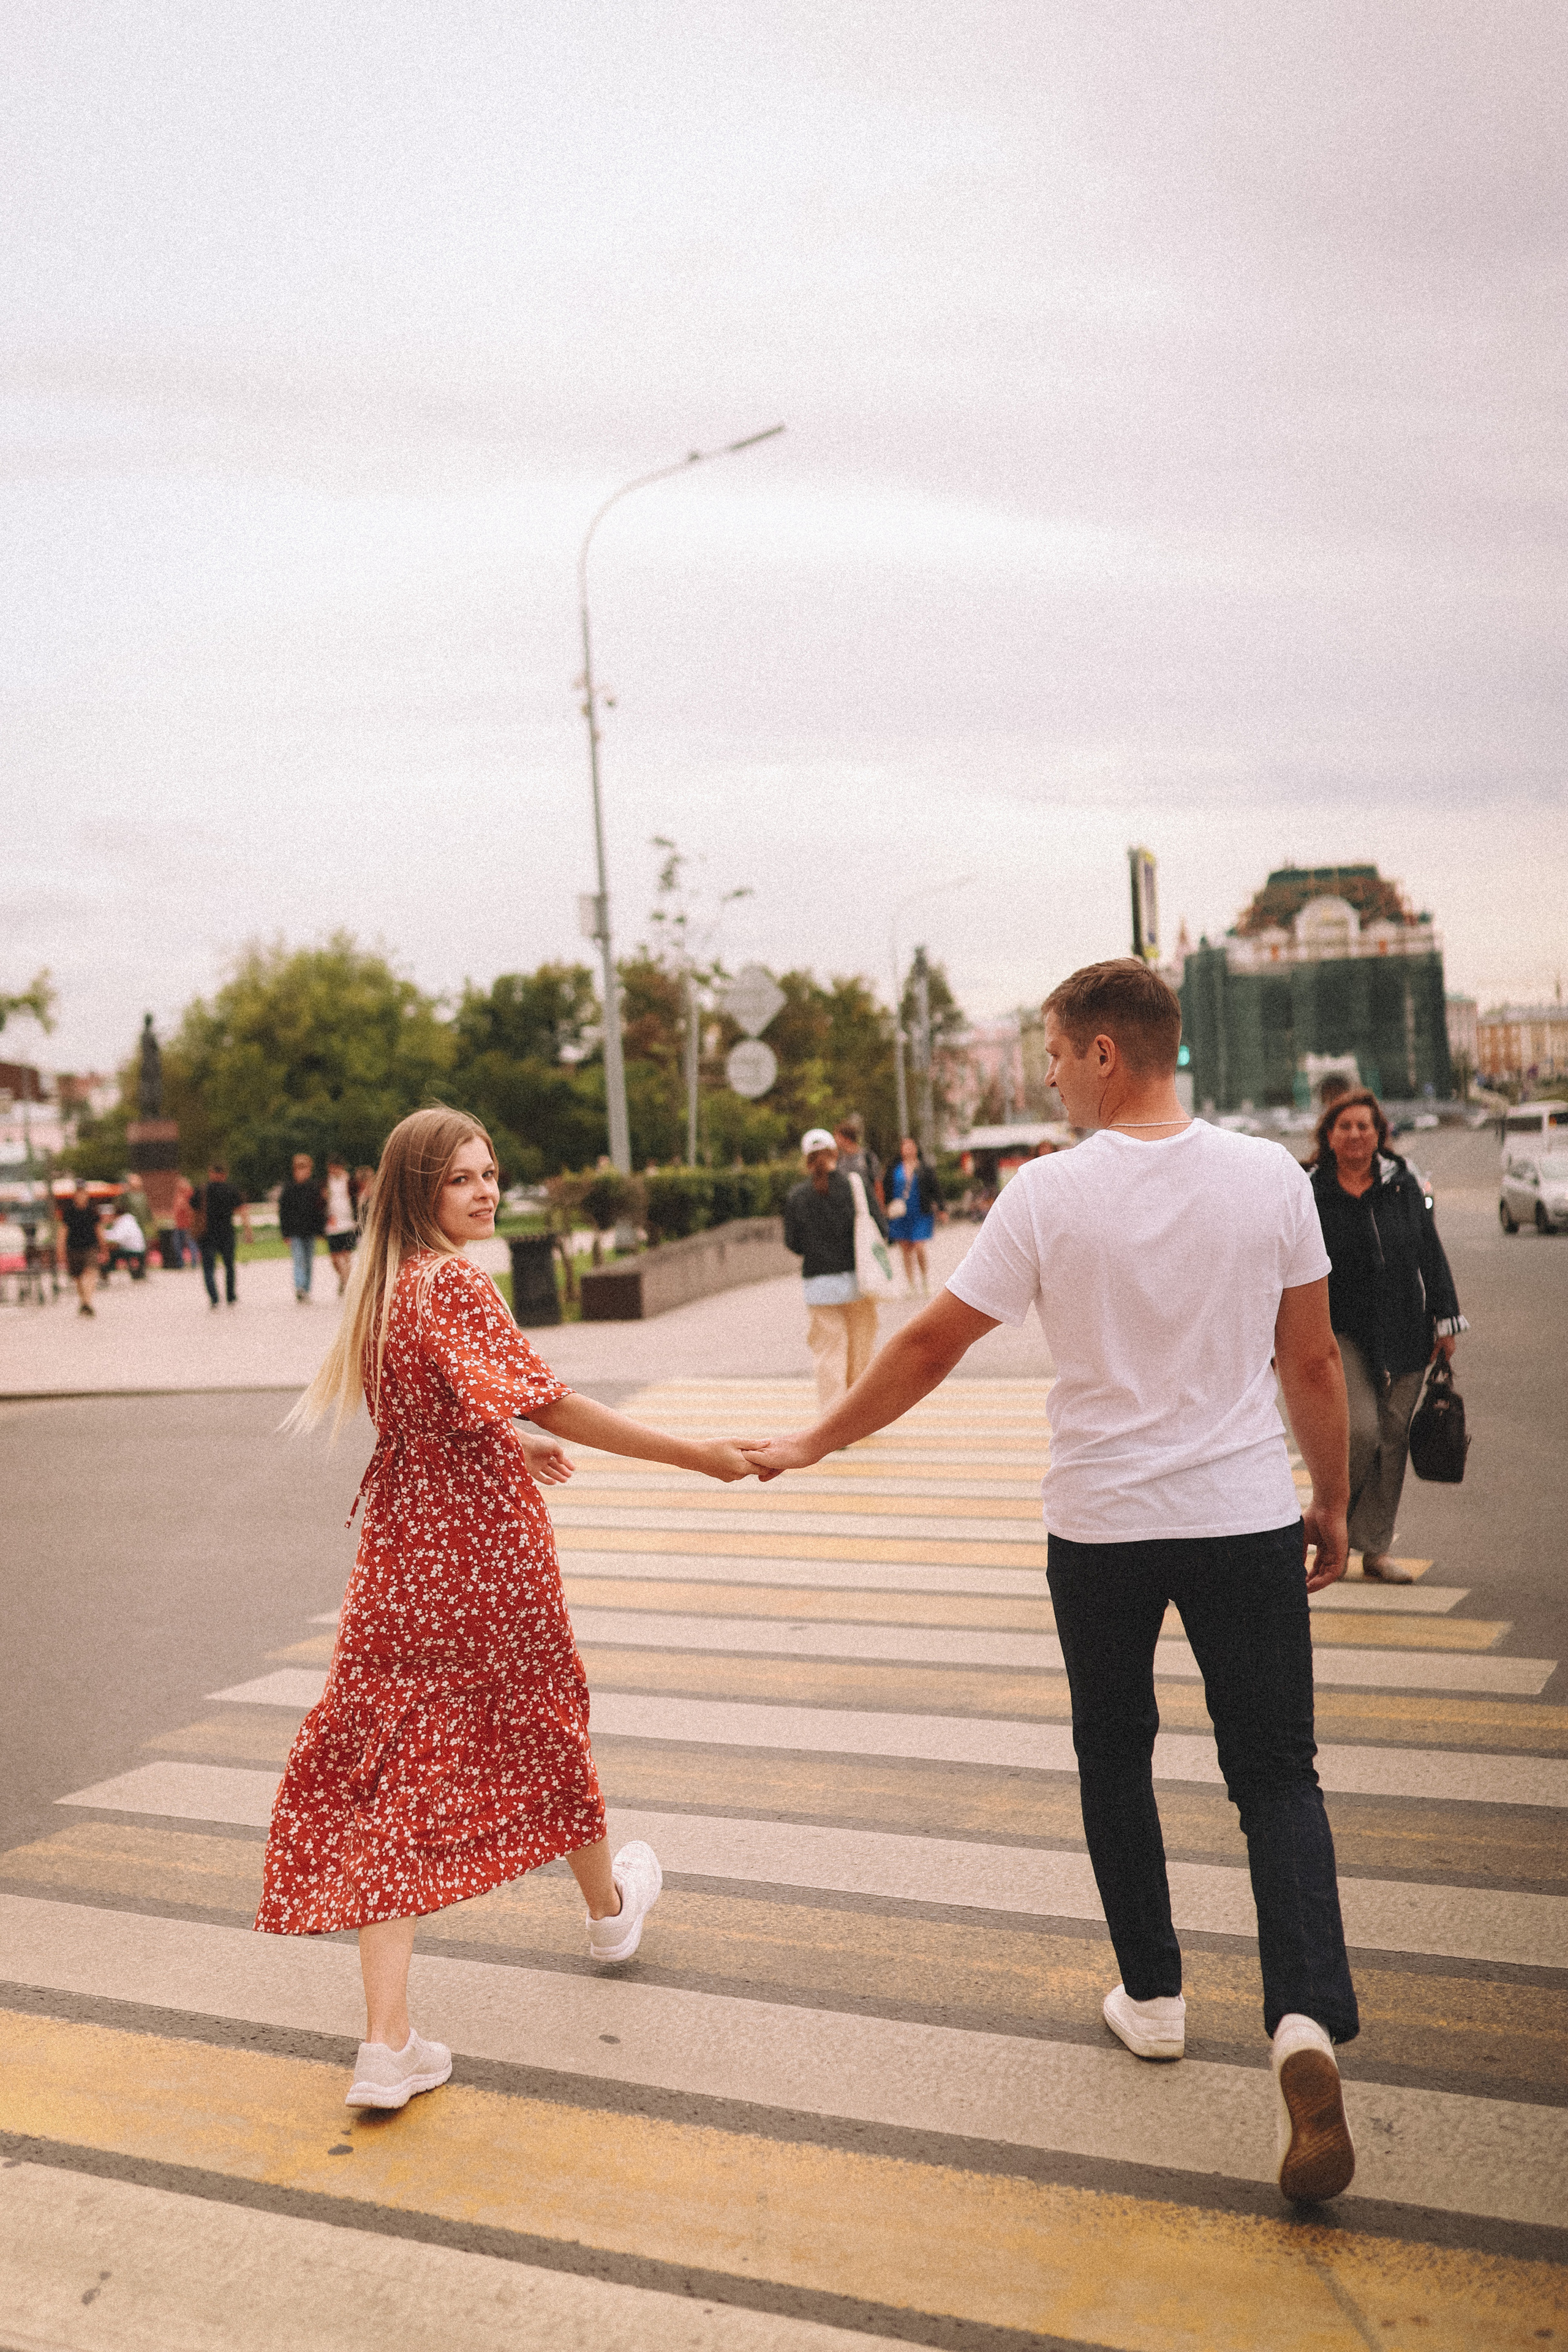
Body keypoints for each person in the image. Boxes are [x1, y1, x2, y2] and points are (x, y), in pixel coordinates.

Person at [744, 959, 1361, 2206]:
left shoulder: (1046, 1196)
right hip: (1241, 1515)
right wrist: (1331, 1502)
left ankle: (1152, 1996)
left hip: (1100, 1528)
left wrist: (816, 1439)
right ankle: (1299, 2023)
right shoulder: (1266, 1182)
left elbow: (929, 1343)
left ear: (1101, 1055)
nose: (1041, 1073)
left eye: (1051, 1050)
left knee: (1112, 1753)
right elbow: (1309, 1367)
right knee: (1274, 1771)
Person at [259, 1105, 756, 2113]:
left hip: (401, 1561)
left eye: (491, 1174)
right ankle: (609, 1911)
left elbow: (434, 1414)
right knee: (541, 1716)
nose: (485, 1192)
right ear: (419, 1193)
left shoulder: (388, 1287)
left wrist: (507, 1442)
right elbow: (555, 1401)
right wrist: (693, 1453)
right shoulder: (454, 1281)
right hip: (484, 1564)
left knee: (398, 1773)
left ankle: (389, 2043)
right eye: (462, 1181)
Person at [1306, 1088, 1466, 1584]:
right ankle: (1327, 1524)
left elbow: (1429, 1252)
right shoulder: (1309, 1190)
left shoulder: (1404, 1184)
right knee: (1362, 1431)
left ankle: (1374, 1549)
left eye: (1365, 1126)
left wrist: (1446, 1320)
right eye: (1345, 1126)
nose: (1356, 1134)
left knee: (1393, 1438)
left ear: (1379, 1134)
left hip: (1406, 1326)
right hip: (1341, 1332)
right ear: (1329, 1136)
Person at [784, 1129, 883, 1411]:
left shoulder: (797, 1196)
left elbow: (793, 1244)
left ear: (806, 1160)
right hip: (859, 1283)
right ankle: (856, 1417)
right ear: (835, 1155)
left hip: (819, 1286)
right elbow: (881, 1228)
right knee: (860, 1352)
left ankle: (832, 1419)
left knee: (829, 1354)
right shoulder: (856, 1186)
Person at [884, 1135, 945, 1293]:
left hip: (921, 1212)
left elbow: (935, 1188)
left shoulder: (924, 1168)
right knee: (905, 1249)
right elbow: (886, 1189)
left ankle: (924, 1279)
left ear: (916, 1149)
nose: (908, 1149)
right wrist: (886, 1207)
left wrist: (941, 1208)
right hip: (901, 1214)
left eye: (911, 1146)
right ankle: (911, 1283)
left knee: (919, 1246)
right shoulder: (894, 1168)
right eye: (905, 1147)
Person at [192, 1161, 251, 1308]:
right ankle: (230, 1296)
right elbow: (242, 1210)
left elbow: (193, 1209)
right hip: (226, 1233)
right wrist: (248, 1231)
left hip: (207, 1235)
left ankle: (214, 1298)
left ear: (211, 1173)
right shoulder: (231, 1190)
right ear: (225, 1175)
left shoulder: (202, 1190)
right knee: (229, 1266)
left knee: (208, 1268)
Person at [278, 1153, 326, 1302]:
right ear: (295, 1170)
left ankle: (306, 1288)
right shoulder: (289, 1189)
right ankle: (300, 1287)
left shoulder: (313, 1187)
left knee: (309, 1260)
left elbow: (319, 1210)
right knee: (299, 1260)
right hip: (295, 1231)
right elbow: (283, 1212)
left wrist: (320, 1230)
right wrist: (285, 1233)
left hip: (310, 1230)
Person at [58, 1183, 105, 1317]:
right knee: (78, 1277)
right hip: (73, 1248)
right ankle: (84, 1302)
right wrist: (60, 1249)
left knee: (90, 1273)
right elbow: (63, 1231)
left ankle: (87, 1303)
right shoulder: (69, 1212)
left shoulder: (92, 1211)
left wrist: (103, 1247)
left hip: (90, 1247)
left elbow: (99, 1229)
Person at [323, 1154, 359, 1294]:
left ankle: (347, 1283)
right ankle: (343, 1278)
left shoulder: (350, 1182)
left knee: (346, 1255)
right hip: (332, 1224)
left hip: (348, 1223)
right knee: (335, 1259)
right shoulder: (326, 1183)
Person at [833, 1114, 883, 1203]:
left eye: (838, 1138)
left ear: (847, 1139)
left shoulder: (868, 1157)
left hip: (868, 1205)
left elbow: (878, 1184)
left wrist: (880, 1208)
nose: (835, 1141)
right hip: (847, 1207)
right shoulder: (838, 1159)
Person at [102, 1202, 148, 1280]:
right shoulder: (128, 1220)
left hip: (133, 1250)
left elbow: (117, 1238)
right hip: (138, 1248)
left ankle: (105, 1273)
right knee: (113, 1250)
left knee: (111, 1253)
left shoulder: (123, 1221)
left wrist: (101, 1234)